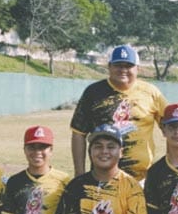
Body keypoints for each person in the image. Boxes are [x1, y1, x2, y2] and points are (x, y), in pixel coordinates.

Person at [70, 45, 167, 181]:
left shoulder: (151, 92)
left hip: (143, 179)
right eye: (118, 65)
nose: (123, 70)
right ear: (109, 67)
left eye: (128, 66)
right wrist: (79, 174)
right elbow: (78, 133)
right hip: (103, 177)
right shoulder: (94, 92)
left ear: (137, 68)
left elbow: (171, 128)